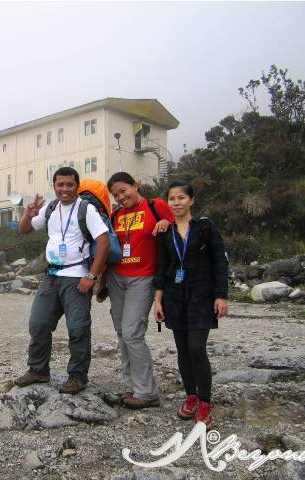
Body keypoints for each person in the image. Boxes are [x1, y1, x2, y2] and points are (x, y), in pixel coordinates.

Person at [14, 166, 110, 394]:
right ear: (54, 186)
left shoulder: (86, 209)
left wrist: (91, 276)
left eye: (69, 184)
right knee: (38, 324)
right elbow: (24, 230)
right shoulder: (50, 207)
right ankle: (38, 370)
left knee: (77, 329)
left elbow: (104, 242)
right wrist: (28, 213)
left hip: (77, 277)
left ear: (77, 186)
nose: (65, 189)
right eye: (60, 184)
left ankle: (77, 377)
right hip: (51, 276)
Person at [153, 180, 228, 428]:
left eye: (181, 197)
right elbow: (162, 268)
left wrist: (221, 295)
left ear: (191, 200)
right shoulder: (166, 232)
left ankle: (205, 403)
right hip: (175, 298)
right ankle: (191, 396)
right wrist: (158, 300)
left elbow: (220, 262)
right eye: (172, 198)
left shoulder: (205, 227)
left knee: (197, 348)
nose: (176, 202)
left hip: (201, 296)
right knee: (183, 350)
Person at [97, 172, 172, 409]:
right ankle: (131, 388)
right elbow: (110, 247)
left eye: (123, 191)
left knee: (132, 333)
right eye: (115, 194)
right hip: (117, 278)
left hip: (143, 277)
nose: (120, 197)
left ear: (135, 185)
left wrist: (166, 222)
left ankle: (147, 393)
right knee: (122, 333)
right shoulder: (116, 214)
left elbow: (181, 223)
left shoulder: (155, 205)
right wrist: (103, 282)